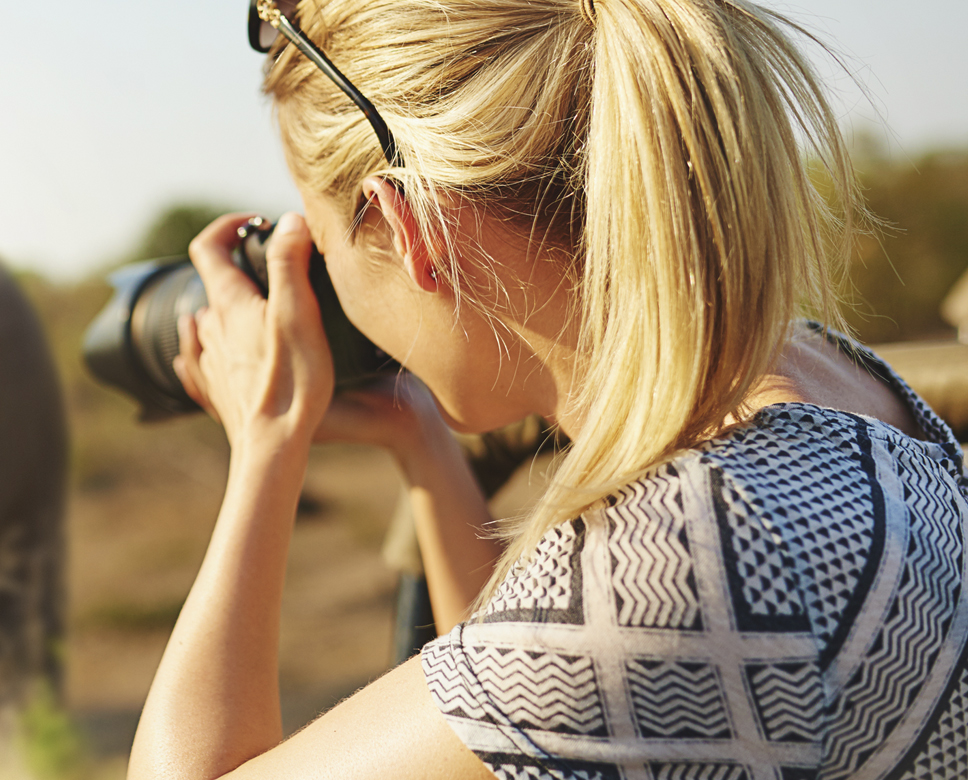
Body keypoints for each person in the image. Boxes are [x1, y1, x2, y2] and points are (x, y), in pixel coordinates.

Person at [127, 1, 968, 779]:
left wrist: (267, 437)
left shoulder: (694, 556)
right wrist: (424, 440)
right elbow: (508, 711)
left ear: (402, 225)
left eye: (326, 246)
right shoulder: (822, 374)